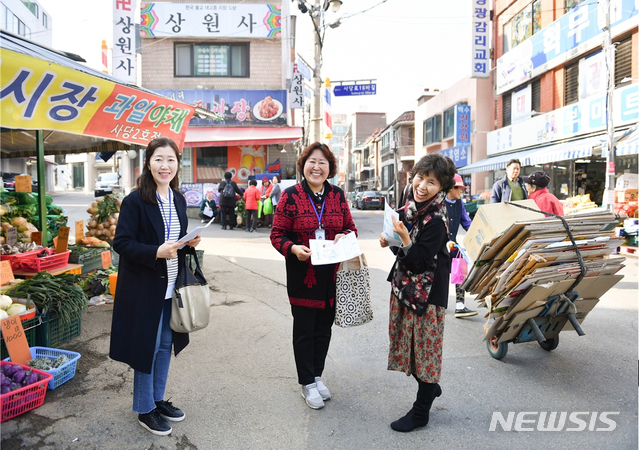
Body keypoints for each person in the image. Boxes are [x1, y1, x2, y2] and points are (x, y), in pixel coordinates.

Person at [110, 137, 202, 436]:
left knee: (165, 346)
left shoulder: (177, 198)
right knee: (145, 349)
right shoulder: (135, 201)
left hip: (170, 286)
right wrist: (154, 252)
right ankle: (144, 408)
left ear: (178, 164)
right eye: (159, 159)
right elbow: (121, 243)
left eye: (171, 160)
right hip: (143, 288)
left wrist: (190, 242)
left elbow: (175, 240)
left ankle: (157, 399)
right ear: (148, 162)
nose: (166, 166)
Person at [270, 142, 357, 410]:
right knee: (305, 330)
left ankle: (317, 376)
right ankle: (307, 383)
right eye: (312, 161)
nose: (316, 167)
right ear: (303, 165)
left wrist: (344, 236)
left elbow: (351, 229)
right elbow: (276, 235)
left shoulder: (338, 196)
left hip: (330, 277)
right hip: (302, 275)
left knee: (323, 330)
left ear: (329, 168)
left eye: (322, 163)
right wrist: (293, 248)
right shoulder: (290, 196)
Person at [379, 152, 456, 433]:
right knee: (409, 350)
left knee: (425, 354)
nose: (422, 186)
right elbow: (401, 247)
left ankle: (421, 411)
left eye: (432, 182)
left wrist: (404, 240)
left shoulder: (436, 219)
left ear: (442, 188)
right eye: (420, 177)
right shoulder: (412, 207)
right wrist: (390, 238)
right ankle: (430, 387)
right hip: (407, 288)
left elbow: (420, 260)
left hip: (428, 295)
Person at [445, 174, 476, 318]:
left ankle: (460, 305)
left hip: (453, 244)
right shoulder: (439, 203)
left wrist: (478, 234)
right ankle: (439, 304)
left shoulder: (459, 203)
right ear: (451, 188)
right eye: (459, 189)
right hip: (439, 245)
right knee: (441, 273)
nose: (461, 192)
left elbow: (467, 223)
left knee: (461, 264)